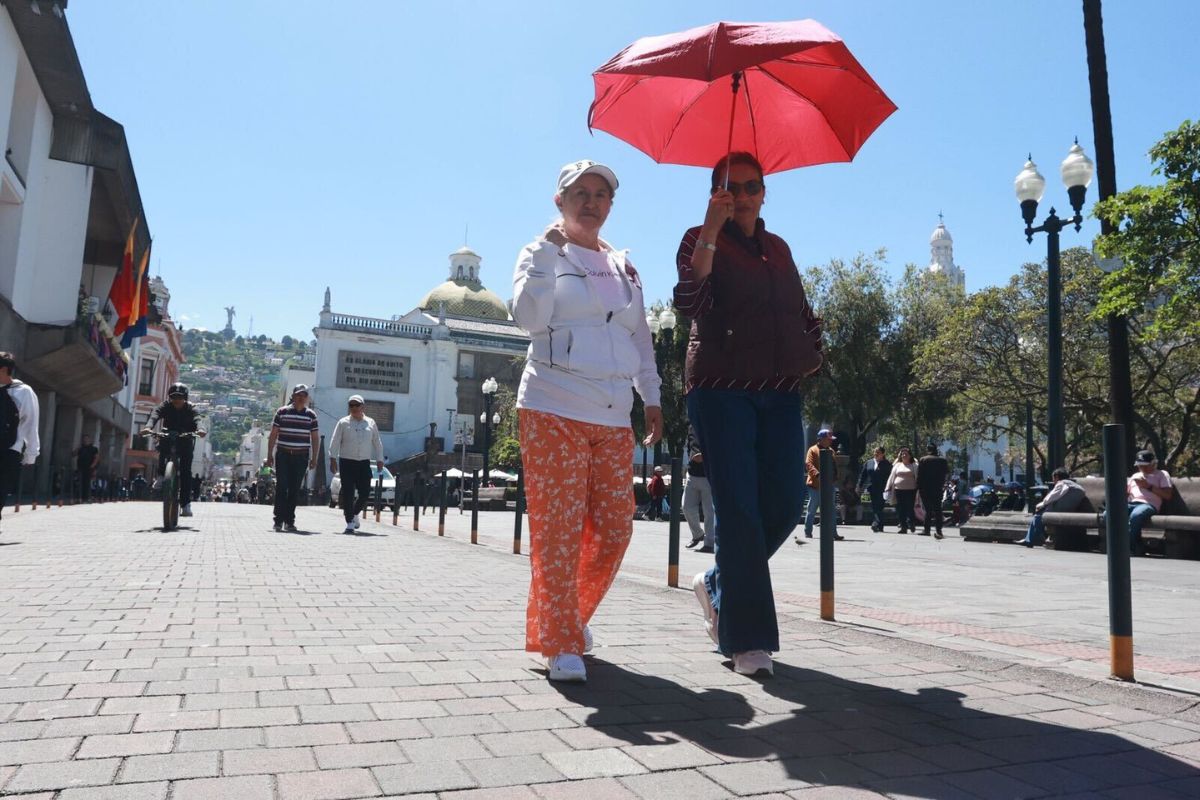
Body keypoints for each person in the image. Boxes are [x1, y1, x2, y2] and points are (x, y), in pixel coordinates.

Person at [512, 159, 662, 683]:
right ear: (561, 200)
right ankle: (560, 641)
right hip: (553, 405)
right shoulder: (540, 252)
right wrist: (548, 255)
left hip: (614, 413)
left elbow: (639, 335)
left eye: (602, 194)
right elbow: (529, 319)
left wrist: (652, 396)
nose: (592, 202)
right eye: (582, 192)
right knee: (558, 531)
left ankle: (568, 618)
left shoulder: (623, 266)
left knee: (616, 528)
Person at [673, 152, 823, 677]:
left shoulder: (778, 248)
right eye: (729, 187)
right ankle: (749, 641)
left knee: (784, 501)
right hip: (720, 386)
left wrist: (812, 339)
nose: (742, 195)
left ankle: (718, 584)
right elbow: (691, 302)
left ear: (765, 193)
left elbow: (797, 306)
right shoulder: (697, 238)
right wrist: (712, 232)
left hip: (779, 388)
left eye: (751, 187)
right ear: (715, 193)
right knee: (737, 509)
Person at [140, 383, 206, 518]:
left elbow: (198, 419)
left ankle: (186, 505)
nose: (176, 400)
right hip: (168, 436)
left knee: (186, 471)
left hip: (186, 439)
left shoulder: (191, 408)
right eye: (173, 397)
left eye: (180, 397)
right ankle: (160, 475)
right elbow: (155, 415)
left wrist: (201, 429)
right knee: (163, 446)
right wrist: (148, 427)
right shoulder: (165, 406)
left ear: (185, 398)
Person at [265, 384, 318, 532]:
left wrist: (314, 458)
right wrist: (269, 454)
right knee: (282, 488)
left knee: (294, 489)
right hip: (283, 455)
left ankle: (289, 521)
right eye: (298, 395)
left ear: (307, 398)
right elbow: (273, 434)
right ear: (293, 396)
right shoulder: (282, 412)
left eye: (304, 395)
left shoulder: (311, 415)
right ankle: (278, 520)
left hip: (301, 457)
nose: (301, 398)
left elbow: (314, 438)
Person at [329, 394, 384, 534]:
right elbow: (335, 441)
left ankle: (354, 513)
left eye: (356, 405)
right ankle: (349, 522)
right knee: (347, 492)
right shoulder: (343, 422)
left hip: (364, 462)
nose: (353, 408)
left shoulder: (370, 423)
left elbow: (377, 442)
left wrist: (379, 459)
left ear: (362, 406)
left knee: (365, 492)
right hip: (346, 461)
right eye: (351, 405)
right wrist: (332, 458)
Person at [0, 352, 39, 528]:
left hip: (10, 448)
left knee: (1, 489)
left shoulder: (24, 392)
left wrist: (32, 453)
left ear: (4, 369)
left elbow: (31, 422)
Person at [1119, 450, 1174, 555]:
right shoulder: (1135, 475)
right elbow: (1125, 493)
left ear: (1153, 463)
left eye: (1145, 465)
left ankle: (1130, 547)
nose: (1142, 468)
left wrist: (1148, 486)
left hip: (1148, 504)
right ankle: (1131, 544)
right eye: (1139, 466)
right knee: (1108, 514)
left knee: (1136, 515)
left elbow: (1168, 495)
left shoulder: (1162, 474)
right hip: (1131, 503)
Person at [1020, 467, 1085, 548]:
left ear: (1057, 477)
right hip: (1072, 510)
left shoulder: (1062, 483)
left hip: (1059, 510)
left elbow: (1053, 496)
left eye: (1053, 478)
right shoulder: (1076, 485)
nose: (1053, 481)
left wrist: (1041, 504)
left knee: (1038, 516)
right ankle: (1030, 539)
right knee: (1040, 515)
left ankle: (1033, 540)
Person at [803, 429, 841, 539]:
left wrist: (835, 477)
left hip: (829, 486)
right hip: (815, 485)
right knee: (812, 509)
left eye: (830, 439)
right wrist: (818, 475)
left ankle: (834, 533)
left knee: (831, 510)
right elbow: (809, 465)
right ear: (821, 439)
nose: (830, 441)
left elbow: (834, 466)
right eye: (828, 439)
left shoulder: (831, 451)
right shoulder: (812, 450)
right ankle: (808, 531)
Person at [682, 427, 715, 553]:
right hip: (692, 474)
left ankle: (710, 543)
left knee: (709, 512)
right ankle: (698, 535)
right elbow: (696, 456)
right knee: (686, 507)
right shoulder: (693, 428)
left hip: (709, 477)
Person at [917, 444, 949, 539]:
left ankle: (927, 530)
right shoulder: (942, 461)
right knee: (938, 510)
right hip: (937, 488)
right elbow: (946, 474)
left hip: (925, 489)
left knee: (928, 510)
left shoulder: (923, 460)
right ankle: (939, 530)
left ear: (928, 450)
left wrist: (919, 487)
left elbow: (920, 475)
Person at [857, 446, 892, 533]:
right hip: (872, 488)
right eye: (875, 452)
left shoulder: (887, 464)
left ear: (883, 454)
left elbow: (891, 477)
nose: (876, 454)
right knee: (875, 506)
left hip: (883, 489)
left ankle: (875, 523)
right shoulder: (869, 463)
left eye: (878, 452)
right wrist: (859, 486)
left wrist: (890, 487)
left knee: (879, 506)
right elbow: (863, 475)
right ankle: (879, 525)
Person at [884, 447, 918, 534]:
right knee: (900, 509)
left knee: (910, 508)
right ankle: (903, 527)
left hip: (911, 490)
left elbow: (918, 477)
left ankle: (911, 523)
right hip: (898, 490)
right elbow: (891, 477)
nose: (904, 455)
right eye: (902, 454)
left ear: (910, 456)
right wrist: (888, 487)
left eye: (906, 454)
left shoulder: (914, 465)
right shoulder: (897, 465)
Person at [74, 435, 100, 503]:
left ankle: (85, 498)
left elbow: (96, 458)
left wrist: (92, 466)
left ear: (90, 440)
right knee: (79, 483)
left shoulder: (94, 449)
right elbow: (73, 454)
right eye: (84, 439)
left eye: (87, 439)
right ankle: (79, 498)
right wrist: (78, 448)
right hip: (80, 467)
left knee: (86, 483)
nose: (85, 440)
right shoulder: (81, 448)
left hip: (88, 468)